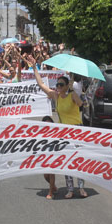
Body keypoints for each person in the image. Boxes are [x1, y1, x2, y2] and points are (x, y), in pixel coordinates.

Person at [32, 61, 87, 199]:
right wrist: (34, 68)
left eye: (61, 85)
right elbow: (41, 85)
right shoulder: (55, 96)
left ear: (67, 86)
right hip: (64, 132)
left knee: (78, 161)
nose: (58, 87)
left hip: (77, 131)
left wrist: (74, 93)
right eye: (57, 85)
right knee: (67, 162)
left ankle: (81, 188)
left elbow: (81, 105)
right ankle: (70, 189)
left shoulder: (72, 95)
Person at [42, 115, 58, 199]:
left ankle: (50, 192)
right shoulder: (41, 133)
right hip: (45, 155)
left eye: (49, 123)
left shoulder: (56, 131)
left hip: (54, 155)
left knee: (51, 173)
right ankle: (53, 186)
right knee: (46, 176)